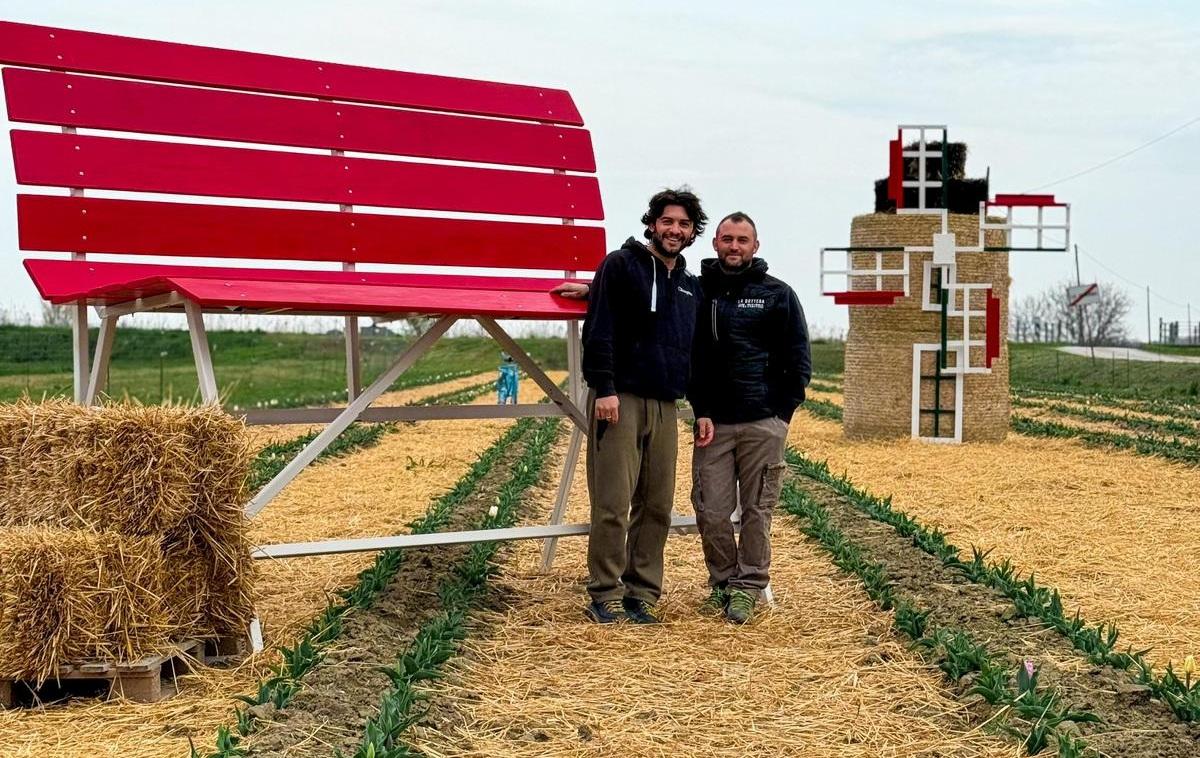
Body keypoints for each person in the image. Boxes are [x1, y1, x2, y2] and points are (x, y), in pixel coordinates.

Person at [554, 187, 707, 624]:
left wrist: (699, 406)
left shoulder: (688, 286)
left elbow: (693, 350)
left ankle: (641, 593)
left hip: (666, 403)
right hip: (620, 398)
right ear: (653, 223)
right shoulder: (620, 265)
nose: (674, 230)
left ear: (693, 231)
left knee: (657, 504)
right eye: (667, 221)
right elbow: (599, 329)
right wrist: (604, 388)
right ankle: (605, 593)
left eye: (683, 224)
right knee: (612, 501)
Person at [688, 211, 811, 624]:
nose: (734, 246)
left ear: (755, 246)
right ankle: (722, 582)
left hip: (763, 421)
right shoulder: (697, 291)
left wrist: (782, 413)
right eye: (727, 239)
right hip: (713, 423)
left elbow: (799, 359)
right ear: (715, 244)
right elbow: (691, 357)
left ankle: (748, 586)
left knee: (758, 509)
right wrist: (701, 408)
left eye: (743, 240)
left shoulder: (778, 294)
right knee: (710, 509)